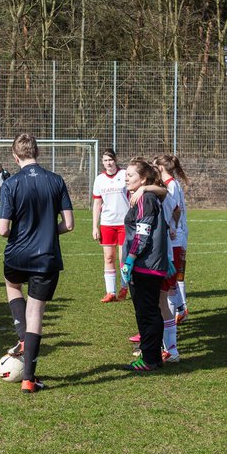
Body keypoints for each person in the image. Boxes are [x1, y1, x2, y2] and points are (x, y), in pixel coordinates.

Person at [0, 133, 74, 394]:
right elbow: (69, 224)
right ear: (37, 153)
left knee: (13, 286)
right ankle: (29, 378)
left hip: (17, 255)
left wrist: (21, 232)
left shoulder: (10, 184)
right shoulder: (56, 180)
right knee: (36, 313)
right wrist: (49, 231)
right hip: (46, 256)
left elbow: (3, 230)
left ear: (15, 156)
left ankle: (21, 336)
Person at [121, 157, 172, 372]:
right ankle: (151, 355)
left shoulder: (146, 198)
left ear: (143, 179)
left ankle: (150, 359)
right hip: (150, 263)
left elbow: (143, 233)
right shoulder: (146, 195)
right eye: (125, 175)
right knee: (149, 311)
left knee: (147, 312)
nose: (126, 179)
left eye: (130, 175)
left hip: (145, 265)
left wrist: (130, 259)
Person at [154, 153, 190, 325]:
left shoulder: (171, 186)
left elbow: (175, 210)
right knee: (173, 279)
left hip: (175, 237)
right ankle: (180, 310)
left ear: (160, 168)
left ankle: (176, 313)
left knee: (170, 281)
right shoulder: (172, 183)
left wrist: (172, 228)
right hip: (178, 235)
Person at [91, 149, 130, 303]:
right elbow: (97, 203)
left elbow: (133, 194)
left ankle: (124, 287)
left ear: (115, 160)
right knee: (108, 257)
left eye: (110, 159)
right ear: (102, 161)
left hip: (124, 223)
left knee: (124, 257)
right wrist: (95, 226)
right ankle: (110, 292)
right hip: (107, 223)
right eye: (105, 160)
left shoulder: (125, 174)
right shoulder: (99, 179)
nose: (108, 163)